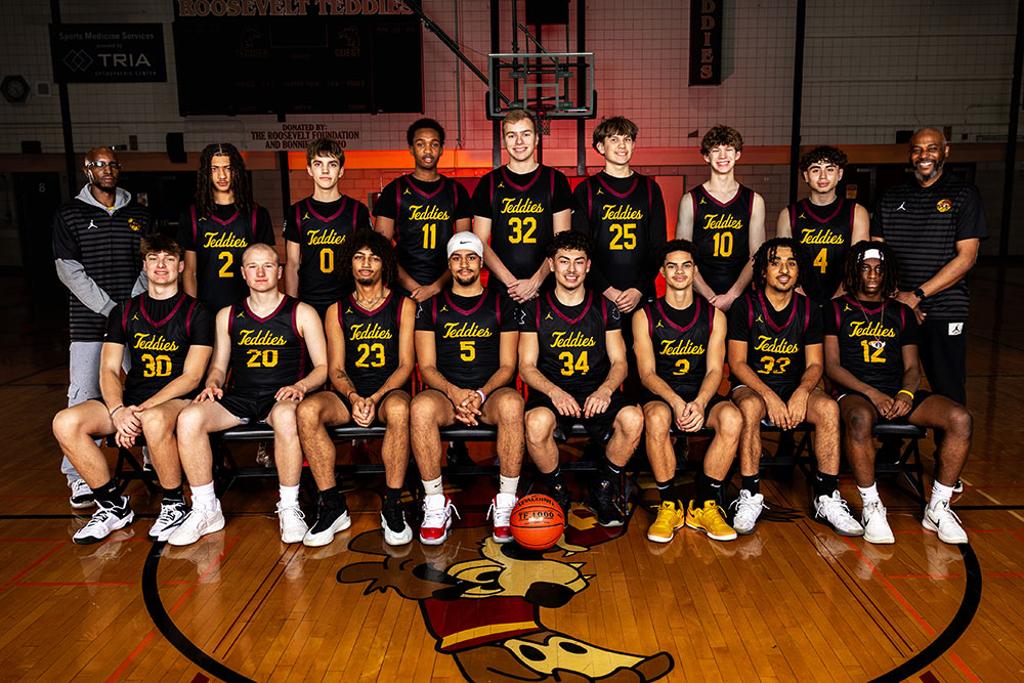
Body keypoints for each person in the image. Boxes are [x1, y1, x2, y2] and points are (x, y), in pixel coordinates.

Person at [52, 235, 213, 543]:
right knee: (66, 421)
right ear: (145, 266)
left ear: (180, 266)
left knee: (153, 419)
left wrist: (141, 410)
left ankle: (174, 503)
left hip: (179, 401)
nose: (161, 265)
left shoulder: (197, 312)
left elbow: (192, 377)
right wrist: (117, 410)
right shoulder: (124, 311)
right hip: (132, 403)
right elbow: (110, 369)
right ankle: (113, 506)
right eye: (154, 259)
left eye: (168, 259)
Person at [167, 243, 327, 546]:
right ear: (242, 273)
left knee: (285, 416)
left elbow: (323, 368)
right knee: (189, 418)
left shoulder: (301, 312)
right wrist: (213, 383)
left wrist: (301, 387)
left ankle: (290, 506)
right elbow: (218, 367)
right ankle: (206, 508)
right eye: (253, 266)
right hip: (241, 396)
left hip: (282, 396)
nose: (261, 272)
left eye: (268, 265)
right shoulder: (227, 315)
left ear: (279, 272)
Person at [824, 242, 971, 545]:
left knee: (960, 418)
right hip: (856, 390)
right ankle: (872, 506)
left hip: (895, 390)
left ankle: (938, 507)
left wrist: (905, 393)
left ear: (888, 272)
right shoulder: (836, 310)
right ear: (854, 271)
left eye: (879, 268)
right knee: (858, 419)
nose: (873, 274)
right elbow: (833, 367)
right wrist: (872, 394)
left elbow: (912, 367)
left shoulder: (901, 313)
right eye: (865, 268)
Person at [727, 237, 862, 537]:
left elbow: (815, 365)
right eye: (775, 263)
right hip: (754, 386)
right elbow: (737, 364)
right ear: (763, 271)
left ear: (800, 270)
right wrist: (769, 396)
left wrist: (802, 392)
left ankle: (826, 496)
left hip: (795, 384)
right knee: (749, 407)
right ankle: (750, 495)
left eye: (791, 263)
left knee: (828, 408)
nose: (784, 270)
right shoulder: (744, 306)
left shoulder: (810, 309)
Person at [296, 230, 416, 547]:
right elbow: (335, 368)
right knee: (307, 410)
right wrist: (353, 397)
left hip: (388, 392)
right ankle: (332, 504)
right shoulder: (336, 309)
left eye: (374, 258)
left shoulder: (403, 306)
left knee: (401, 410)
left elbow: (406, 364)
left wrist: (374, 399)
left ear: (385, 264)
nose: (366, 264)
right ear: (350, 263)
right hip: (348, 393)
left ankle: (392, 503)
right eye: (360, 257)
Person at [519, 231, 644, 526]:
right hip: (553, 392)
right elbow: (526, 366)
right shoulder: (534, 309)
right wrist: (554, 393)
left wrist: (605, 390)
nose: (571, 269)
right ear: (551, 264)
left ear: (589, 266)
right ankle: (558, 489)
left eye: (579, 262)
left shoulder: (605, 307)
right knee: (535, 423)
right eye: (564, 261)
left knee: (633, 419)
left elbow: (620, 362)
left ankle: (603, 487)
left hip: (596, 390)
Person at [53, 146, 153, 508]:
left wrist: (130, 308)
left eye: (112, 165)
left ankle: (152, 459)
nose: (106, 170)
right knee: (81, 397)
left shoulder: (139, 214)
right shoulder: (70, 214)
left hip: (138, 321)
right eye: (99, 165)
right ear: (87, 169)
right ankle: (80, 478)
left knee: (144, 389)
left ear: (119, 169)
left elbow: (149, 264)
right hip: (89, 324)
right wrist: (112, 310)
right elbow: (69, 270)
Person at [410, 233, 523, 544]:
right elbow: (427, 367)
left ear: (482, 262)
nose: (464, 264)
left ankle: (506, 503)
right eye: (457, 258)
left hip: (490, 396)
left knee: (514, 404)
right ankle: (435, 504)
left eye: (471, 257)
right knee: (419, 408)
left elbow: (507, 367)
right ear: (449, 264)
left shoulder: (502, 305)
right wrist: (455, 393)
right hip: (446, 395)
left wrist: (480, 394)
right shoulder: (430, 307)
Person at [633, 239, 741, 543]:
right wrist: (678, 402)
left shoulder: (714, 316)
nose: (679, 272)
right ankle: (669, 505)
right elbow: (647, 374)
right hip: (663, 395)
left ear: (695, 271)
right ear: (662, 273)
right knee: (655, 418)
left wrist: (700, 402)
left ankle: (704, 505)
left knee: (732, 418)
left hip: (700, 394)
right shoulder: (644, 315)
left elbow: (714, 371)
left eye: (686, 265)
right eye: (672, 266)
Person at [870, 127, 986, 406]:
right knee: (892, 382)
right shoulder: (891, 195)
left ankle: (946, 450)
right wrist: (897, 296)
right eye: (917, 149)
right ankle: (891, 449)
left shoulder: (964, 194)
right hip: (896, 307)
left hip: (945, 309)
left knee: (948, 390)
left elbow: (966, 258)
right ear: (910, 154)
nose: (924, 156)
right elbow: (877, 253)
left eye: (932, 148)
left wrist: (917, 295)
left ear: (946, 151)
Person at [472, 108, 573, 304]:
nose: (519, 142)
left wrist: (534, 283)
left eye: (525, 134)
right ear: (504, 141)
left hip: (546, 288)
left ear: (536, 139)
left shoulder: (555, 181)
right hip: (503, 290)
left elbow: (562, 241)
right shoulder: (489, 183)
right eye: (512, 135)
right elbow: (480, 241)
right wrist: (512, 284)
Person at [572, 115, 667, 314]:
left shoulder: (650, 189)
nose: (622, 145)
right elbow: (580, 250)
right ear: (600, 147)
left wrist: (638, 289)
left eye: (627, 139)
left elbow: (658, 247)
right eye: (614, 139)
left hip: (640, 293)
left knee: (641, 345)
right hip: (598, 293)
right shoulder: (586, 190)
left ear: (633, 145)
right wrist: (608, 291)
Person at [373, 118, 473, 302]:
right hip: (403, 288)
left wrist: (435, 287)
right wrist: (415, 288)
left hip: (446, 285)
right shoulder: (393, 191)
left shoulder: (456, 191)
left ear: (441, 149)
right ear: (411, 149)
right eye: (421, 144)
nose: (428, 150)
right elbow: (381, 249)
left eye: (434, 144)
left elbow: (465, 247)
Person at [676, 125, 766, 311]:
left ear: (738, 154)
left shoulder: (754, 200)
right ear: (706, 157)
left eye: (729, 150)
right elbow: (682, 257)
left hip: (740, 296)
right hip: (700, 295)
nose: (723, 156)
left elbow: (756, 257)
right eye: (716, 151)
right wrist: (709, 296)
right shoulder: (690, 200)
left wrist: (732, 295)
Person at [179, 143, 275, 312]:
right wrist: (193, 313)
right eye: (214, 169)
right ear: (206, 173)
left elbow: (269, 270)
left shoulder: (256, 214)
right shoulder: (192, 215)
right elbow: (190, 272)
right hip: (207, 307)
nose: (222, 175)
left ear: (236, 171)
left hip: (250, 308)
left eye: (227, 168)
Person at [284, 138, 372, 317]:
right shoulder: (297, 211)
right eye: (318, 164)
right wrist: (291, 307)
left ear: (341, 171)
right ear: (309, 169)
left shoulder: (357, 211)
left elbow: (367, 260)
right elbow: (292, 264)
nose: (325, 170)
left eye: (332, 164)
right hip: (309, 302)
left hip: (348, 301)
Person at [777, 146, 870, 305]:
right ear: (806, 176)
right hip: (799, 300)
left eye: (829, 169)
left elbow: (859, 263)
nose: (823, 176)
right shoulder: (788, 214)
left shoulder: (857, 212)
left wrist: (837, 299)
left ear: (839, 174)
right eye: (815, 170)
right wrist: (802, 298)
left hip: (844, 299)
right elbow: (783, 262)